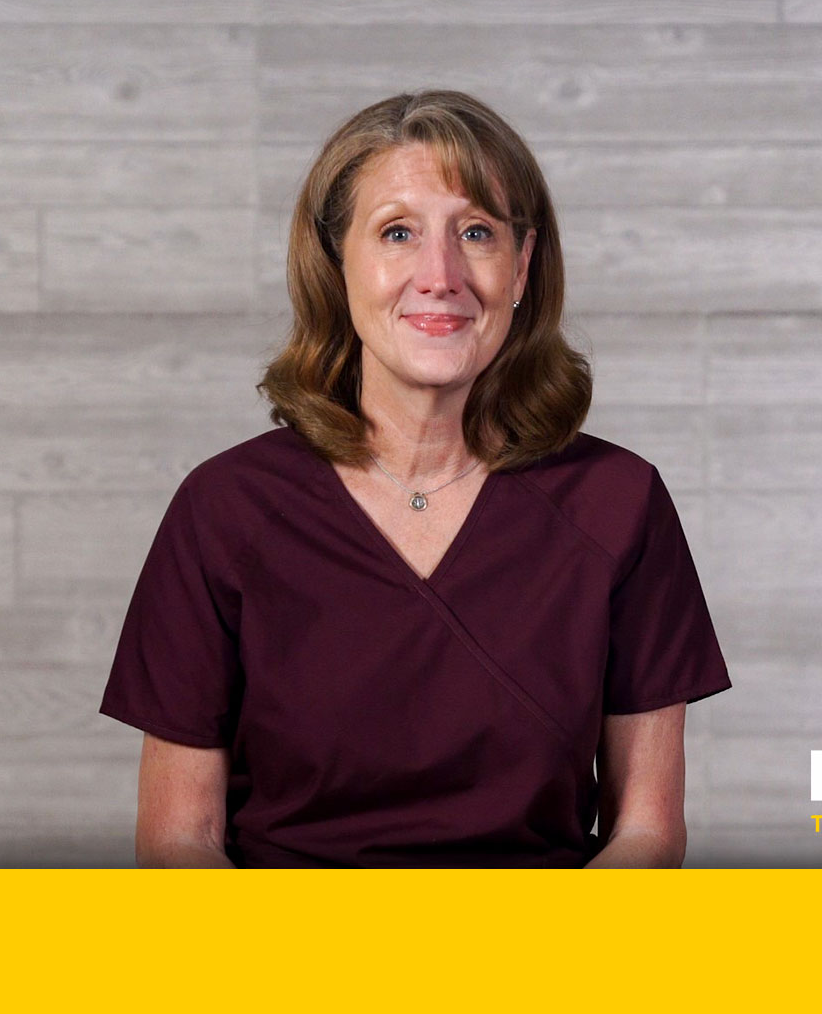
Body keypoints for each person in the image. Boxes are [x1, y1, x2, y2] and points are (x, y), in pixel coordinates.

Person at [98, 89, 731, 867]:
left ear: (522, 263)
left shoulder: (619, 502)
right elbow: (177, 842)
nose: (441, 274)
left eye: (476, 232)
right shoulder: (224, 511)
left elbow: (647, 833)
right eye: (398, 233)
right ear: (337, 265)